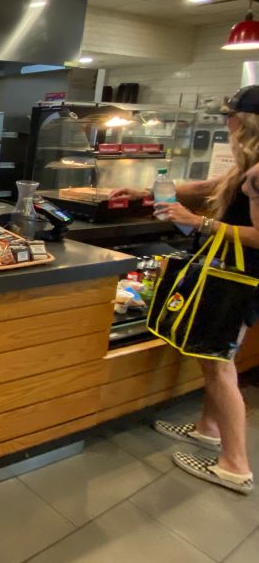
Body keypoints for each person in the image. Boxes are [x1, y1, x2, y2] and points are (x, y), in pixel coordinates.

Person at [111, 85, 259, 494]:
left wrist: (200, 224)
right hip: (237, 278)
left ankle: (234, 465)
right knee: (215, 357)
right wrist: (152, 191)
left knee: (219, 366)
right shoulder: (250, 165)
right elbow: (211, 187)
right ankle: (208, 430)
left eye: (230, 116)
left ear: (245, 122)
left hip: (237, 281)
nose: (225, 123)